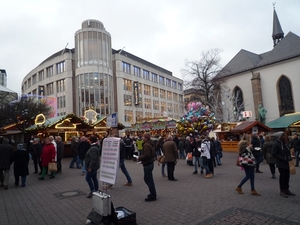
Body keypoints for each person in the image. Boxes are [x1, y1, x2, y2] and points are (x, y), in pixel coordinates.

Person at [272, 131, 295, 198]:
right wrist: (283, 158)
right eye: (284, 135)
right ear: (280, 136)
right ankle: (282, 190)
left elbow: (287, 151)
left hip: (287, 162)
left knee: (287, 176)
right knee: (282, 176)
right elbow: (274, 153)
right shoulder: (276, 144)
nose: (285, 136)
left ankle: (287, 189)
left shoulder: (285, 143)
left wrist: (290, 158)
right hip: (281, 163)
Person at [138, 132, 157, 202]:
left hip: (147, 163)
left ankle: (153, 195)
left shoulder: (146, 145)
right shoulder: (151, 143)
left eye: (143, 137)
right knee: (148, 179)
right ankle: (152, 193)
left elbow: (147, 155)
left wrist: (140, 158)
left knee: (148, 179)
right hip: (150, 162)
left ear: (146, 138)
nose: (142, 138)